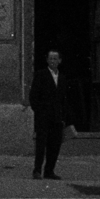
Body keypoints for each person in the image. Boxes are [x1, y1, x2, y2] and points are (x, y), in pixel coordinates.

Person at [27, 49, 71, 180]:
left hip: (57, 117)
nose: (53, 61)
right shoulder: (41, 75)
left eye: (55, 59)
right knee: (41, 144)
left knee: (55, 145)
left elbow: (64, 98)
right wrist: (39, 111)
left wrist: (64, 117)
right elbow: (33, 96)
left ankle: (49, 170)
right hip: (44, 116)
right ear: (47, 60)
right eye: (50, 58)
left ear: (60, 61)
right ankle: (37, 170)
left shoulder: (62, 78)